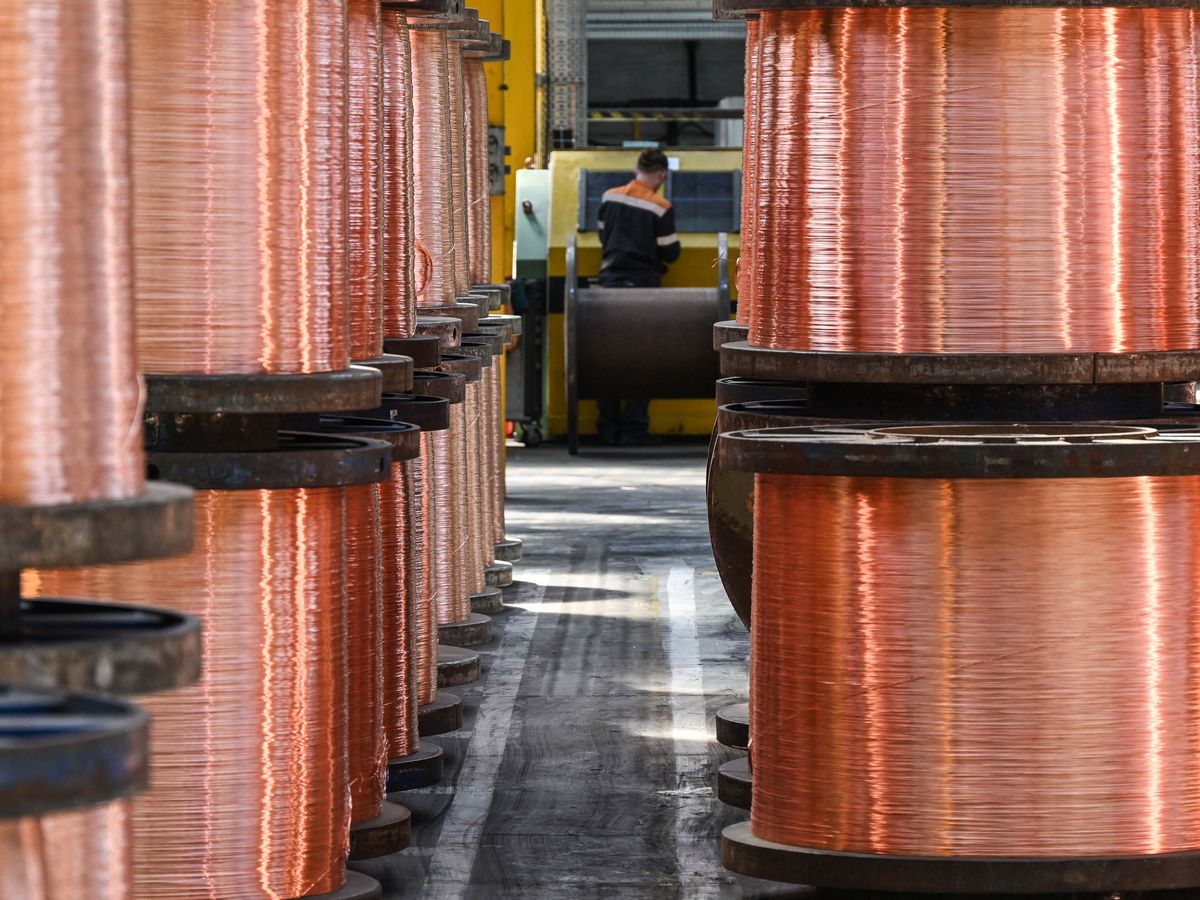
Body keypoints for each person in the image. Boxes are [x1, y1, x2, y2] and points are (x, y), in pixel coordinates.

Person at [595, 148, 681, 446]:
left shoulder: (609, 196)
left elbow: (602, 237)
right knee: (642, 359)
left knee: (608, 358)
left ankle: (607, 427)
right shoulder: (660, 206)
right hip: (644, 289)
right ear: (661, 175)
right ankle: (633, 429)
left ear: (636, 169)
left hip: (609, 286)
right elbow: (670, 253)